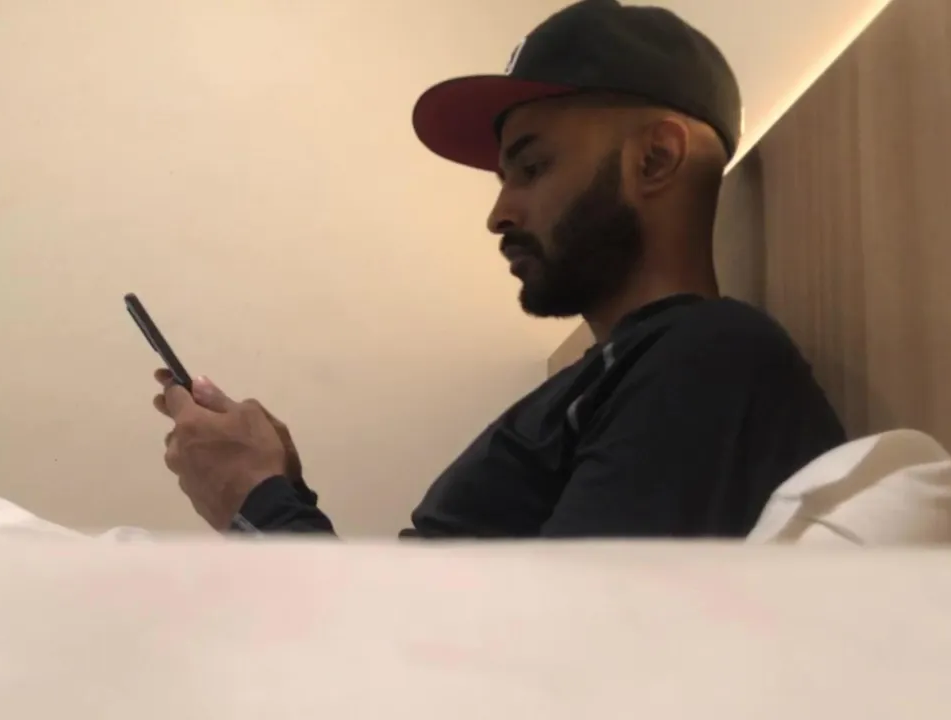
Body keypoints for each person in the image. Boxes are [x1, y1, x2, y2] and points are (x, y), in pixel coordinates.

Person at [152, 0, 846, 538]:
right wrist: (278, 490)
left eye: (532, 167)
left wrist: (255, 498)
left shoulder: (710, 359)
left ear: (655, 158)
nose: (499, 214)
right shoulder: (605, 380)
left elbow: (544, 658)